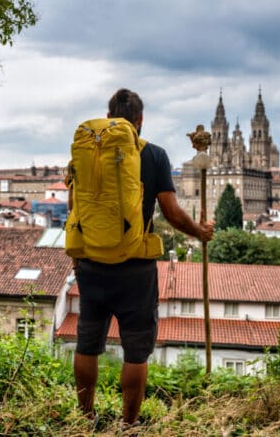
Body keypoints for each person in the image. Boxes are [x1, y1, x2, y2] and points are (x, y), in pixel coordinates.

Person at [70, 88, 214, 426]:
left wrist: (76, 254)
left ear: (108, 119)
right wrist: (200, 232)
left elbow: (76, 206)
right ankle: (128, 424)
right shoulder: (155, 156)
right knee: (136, 351)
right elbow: (172, 213)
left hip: (91, 261)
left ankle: (85, 417)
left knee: (86, 343)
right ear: (140, 121)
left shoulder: (86, 153)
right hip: (135, 268)